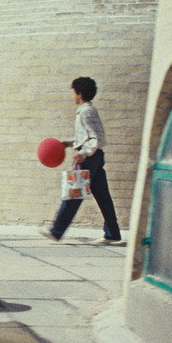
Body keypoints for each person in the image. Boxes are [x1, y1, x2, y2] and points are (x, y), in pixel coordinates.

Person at [41, 77, 122, 244]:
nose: (73, 96)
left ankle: (56, 231)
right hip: (95, 157)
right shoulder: (87, 111)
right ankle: (112, 233)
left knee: (74, 194)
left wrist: (83, 153)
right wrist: (68, 143)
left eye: (74, 92)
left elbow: (96, 138)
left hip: (89, 159)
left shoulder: (86, 113)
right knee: (103, 196)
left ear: (79, 93)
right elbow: (86, 137)